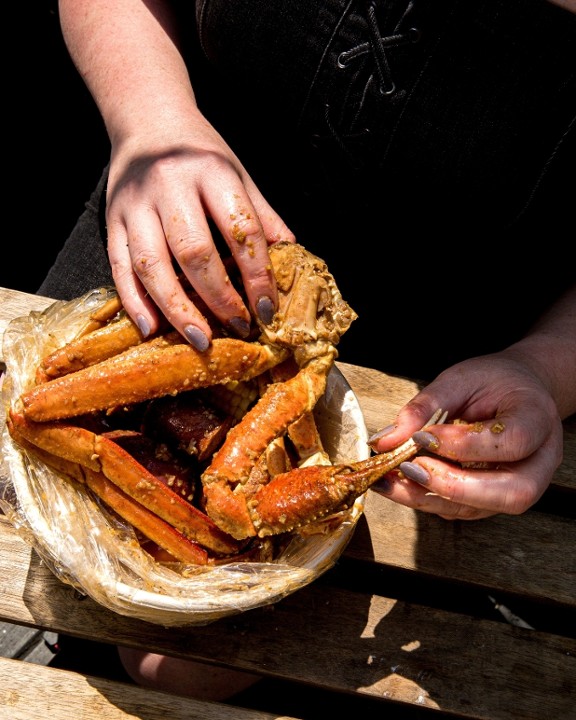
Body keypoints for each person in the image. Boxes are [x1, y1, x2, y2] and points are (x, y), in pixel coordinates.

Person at [39, 0, 575, 701]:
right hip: (180, 212)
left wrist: (547, 365)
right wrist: (149, 118)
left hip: (457, 345)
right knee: (32, 473)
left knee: (196, 658)